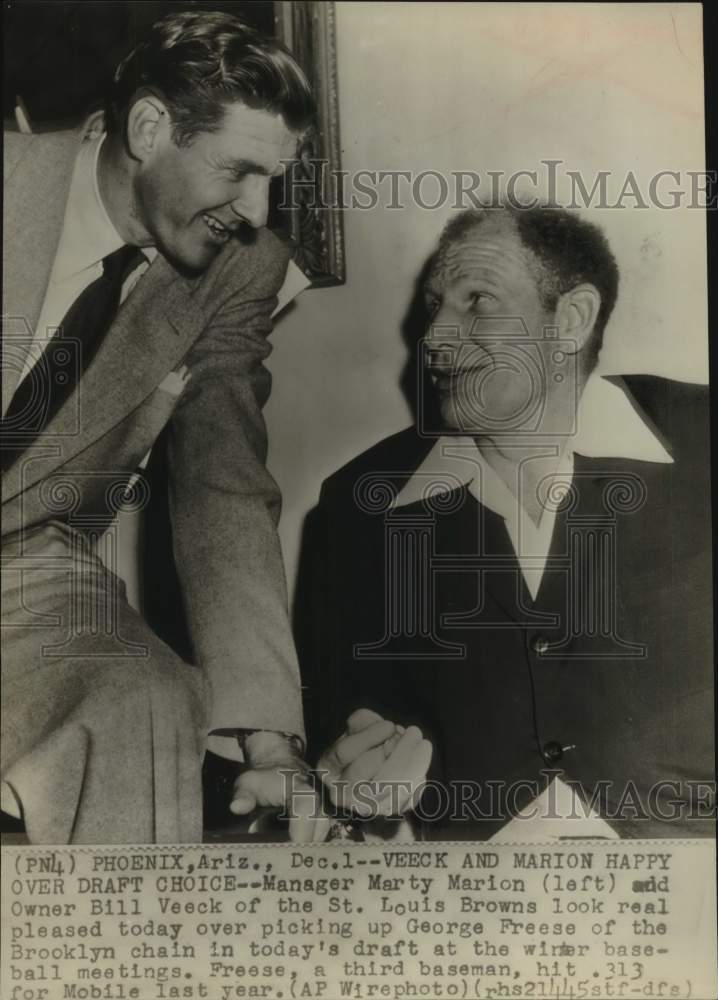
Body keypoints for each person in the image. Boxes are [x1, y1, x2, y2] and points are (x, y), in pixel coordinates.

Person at [1, 9, 320, 844]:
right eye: (238, 171)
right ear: (149, 128)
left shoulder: (241, 271)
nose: (256, 211)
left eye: (273, 179)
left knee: (145, 696)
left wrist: (268, 736)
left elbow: (226, 489)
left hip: (22, 559)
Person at [300, 204, 714, 840]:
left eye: (477, 302)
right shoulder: (359, 507)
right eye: (435, 305)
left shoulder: (701, 438)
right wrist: (345, 781)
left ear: (570, 320)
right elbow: (344, 729)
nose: (436, 337)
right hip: (472, 909)